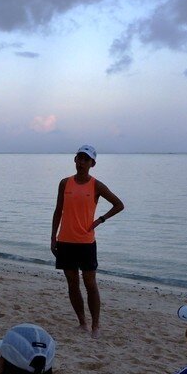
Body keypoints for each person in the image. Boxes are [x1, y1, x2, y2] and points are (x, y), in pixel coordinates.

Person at [50, 145, 124, 338]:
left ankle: (95, 325)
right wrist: (53, 237)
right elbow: (58, 211)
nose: (81, 162)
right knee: (72, 283)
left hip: (86, 243)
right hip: (65, 241)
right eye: (79, 158)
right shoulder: (64, 183)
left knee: (90, 283)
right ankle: (82, 322)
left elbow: (119, 205)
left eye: (86, 159)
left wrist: (101, 219)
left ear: (92, 163)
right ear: (75, 160)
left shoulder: (96, 185)